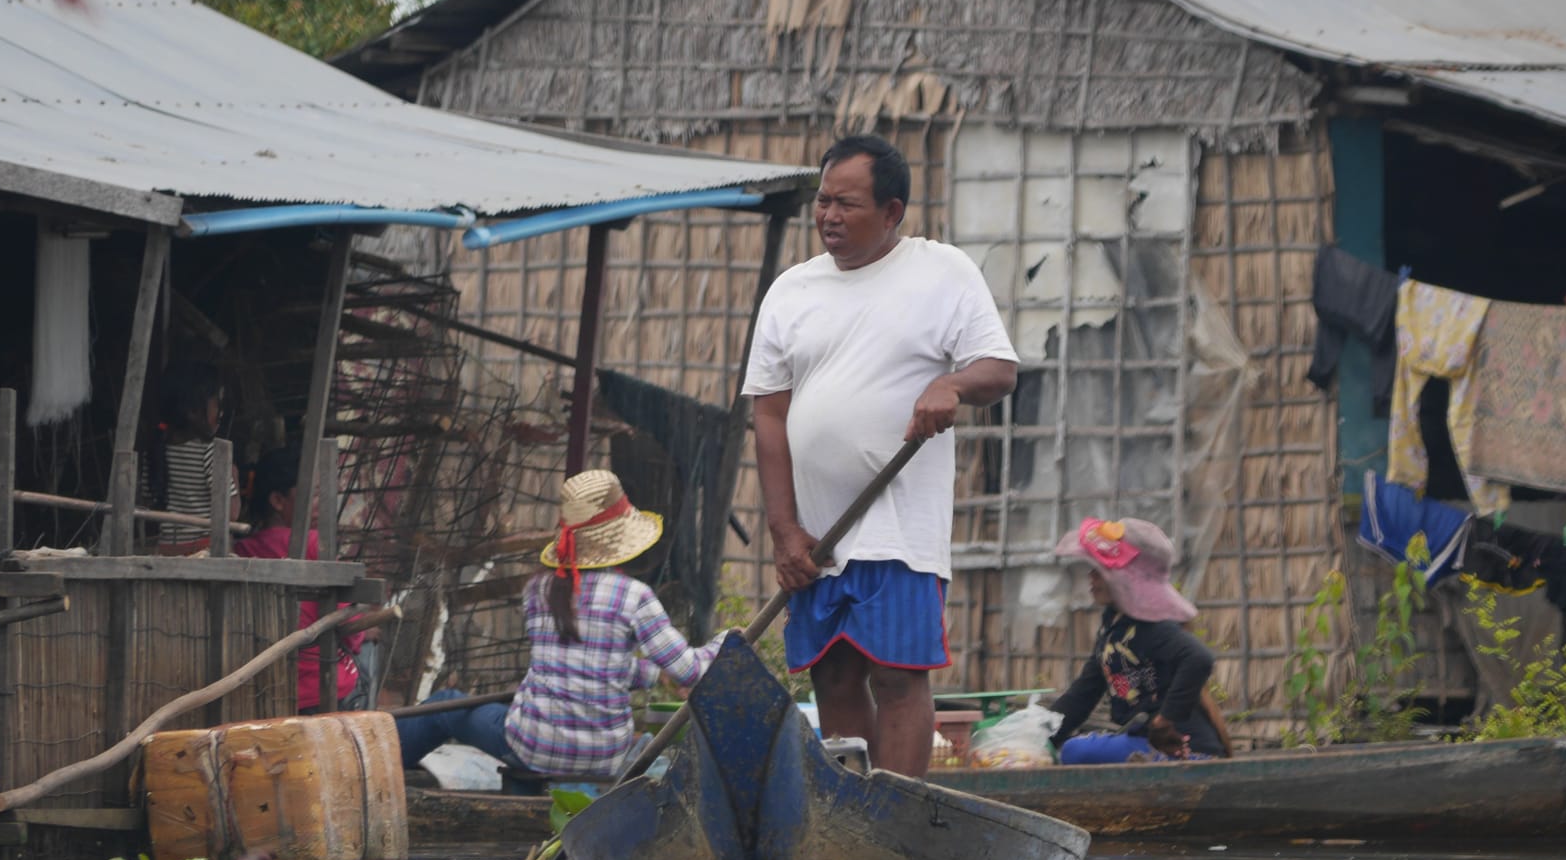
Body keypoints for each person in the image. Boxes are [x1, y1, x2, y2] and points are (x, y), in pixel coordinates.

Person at [744, 133, 1018, 777]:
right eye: (822, 200)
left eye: (847, 203)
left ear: (892, 211)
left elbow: (999, 370)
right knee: (833, 678)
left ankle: (896, 812)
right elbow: (769, 415)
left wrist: (951, 384)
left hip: (897, 527)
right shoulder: (791, 290)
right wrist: (785, 532)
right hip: (817, 537)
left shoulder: (941, 271)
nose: (828, 216)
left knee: (897, 675)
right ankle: (851, 814)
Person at [395, 469, 728, 783]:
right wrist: (726, 642)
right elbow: (690, 671)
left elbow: (591, 663)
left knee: (446, 704)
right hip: (605, 757)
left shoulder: (537, 591)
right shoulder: (635, 596)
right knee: (467, 705)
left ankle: (386, 768)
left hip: (533, 747)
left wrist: (655, 674)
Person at [1049, 517, 1225, 763]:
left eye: (1099, 571)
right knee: (1066, 749)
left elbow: (1199, 659)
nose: (1091, 578)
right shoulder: (1114, 629)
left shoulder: (1150, 627)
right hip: (1145, 744)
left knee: (1075, 751)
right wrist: (1041, 734)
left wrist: (1164, 721)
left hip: (1185, 752)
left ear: (1123, 580)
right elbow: (1083, 694)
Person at [233, 445, 388, 714]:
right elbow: (348, 630)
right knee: (368, 648)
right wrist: (363, 632)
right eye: (314, 494)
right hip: (322, 689)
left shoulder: (243, 551)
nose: (322, 504)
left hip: (264, 691)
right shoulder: (315, 545)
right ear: (278, 501)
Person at [143, 361, 238, 552]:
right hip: (205, 550)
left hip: (167, 549)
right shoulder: (210, 452)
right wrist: (233, 473)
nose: (221, 412)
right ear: (193, 411)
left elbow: (147, 503)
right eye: (217, 404)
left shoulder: (155, 452)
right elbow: (231, 513)